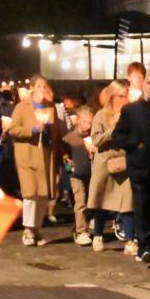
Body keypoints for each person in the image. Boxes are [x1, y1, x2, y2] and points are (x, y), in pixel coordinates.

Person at [114, 72, 150, 265]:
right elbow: (118, 136)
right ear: (143, 85)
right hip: (138, 166)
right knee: (141, 204)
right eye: (148, 83)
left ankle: (149, 242)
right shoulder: (130, 110)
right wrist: (135, 143)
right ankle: (144, 245)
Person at [7, 75, 59, 247]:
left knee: (43, 194)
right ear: (32, 88)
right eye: (39, 86)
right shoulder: (22, 107)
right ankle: (28, 229)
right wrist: (32, 129)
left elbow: (55, 130)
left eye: (45, 86)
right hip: (27, 156)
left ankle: (36, 228)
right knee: (30, 194)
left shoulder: (50, 107)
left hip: (44, 155)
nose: (42, 90)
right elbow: (13, 129)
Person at [85, 81, 134, 252]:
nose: (124, 99)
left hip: (124, 163)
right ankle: (98, 235)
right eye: (121, 96)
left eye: (126, 96)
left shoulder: (131, 115)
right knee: (101, 201)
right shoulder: (101, 115)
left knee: (127, 202)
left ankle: (130, 240)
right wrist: (114, 129)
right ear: (112, 96)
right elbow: (96, 140)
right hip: (105, 163)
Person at [63, 103, 97, 245]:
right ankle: (81, 230)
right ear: (77, 120)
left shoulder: (94, 137)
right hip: (76, 175)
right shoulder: (69, 138)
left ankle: (88, 226)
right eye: (85, 122)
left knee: (92, 202)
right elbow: (64, 157)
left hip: (92, 174)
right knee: (80, 201)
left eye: (90, 122)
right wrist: (67, 162)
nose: (88, 125)